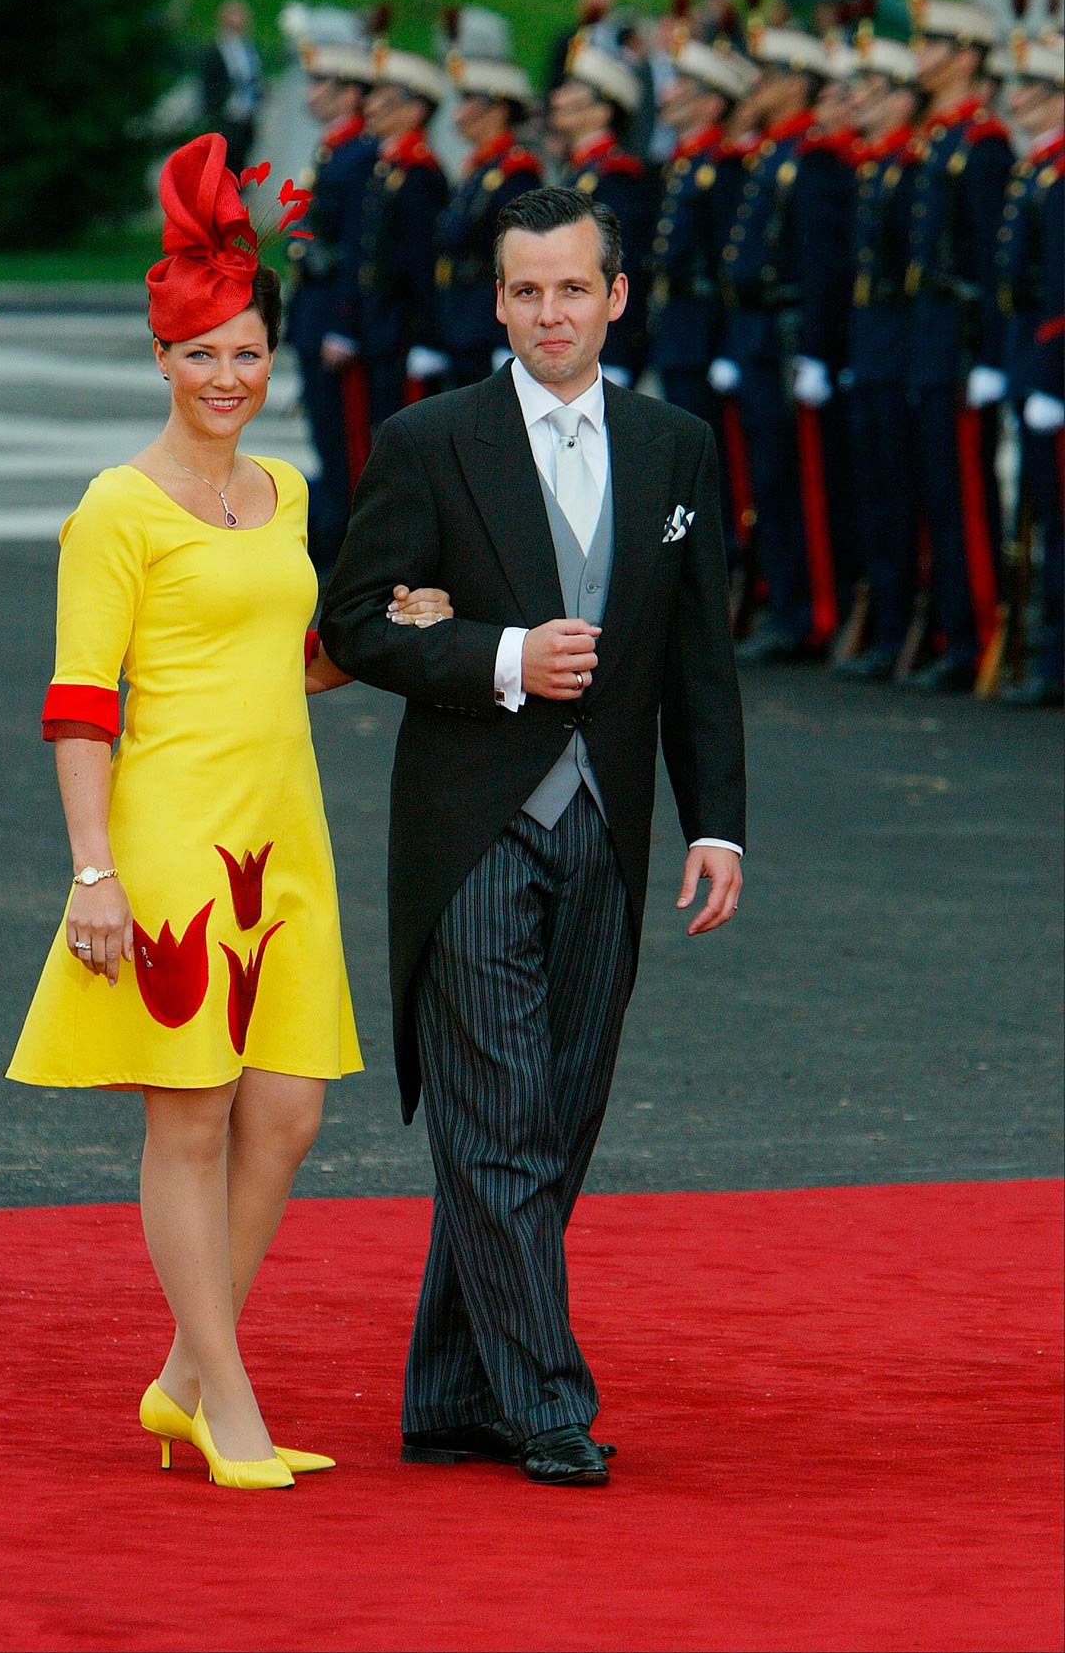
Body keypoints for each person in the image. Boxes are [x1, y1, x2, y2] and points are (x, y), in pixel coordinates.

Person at [7, 133, 452, 1491]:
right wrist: (93, 874)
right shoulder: (115, 509)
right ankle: (227, 1402)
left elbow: (296, 657)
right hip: (164, 833)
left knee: (291, 1114)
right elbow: (82, 701)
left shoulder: (288, 491)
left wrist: (388, 631)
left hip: (284, 834)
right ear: (162, 358)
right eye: (201, 353)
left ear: (271, 357)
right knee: (188, 1116)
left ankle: (185, 1376)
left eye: (246, 352)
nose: (226, 377)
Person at [320, 187, 746, 1488]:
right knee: (497, 1114)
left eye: (572, 289)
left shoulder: (675, 446)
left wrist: (717, 821)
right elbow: (353, 625)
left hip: (609, 831)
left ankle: (450, 1392)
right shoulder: (428, 439)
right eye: (524, 292)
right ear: (496, 300)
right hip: (467, 829)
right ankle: (545, 1399)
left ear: (618, 296)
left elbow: (698, 657)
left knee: (551, 1121)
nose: (548, 314)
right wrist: (501, 652)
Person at [708, 20, 843, 660]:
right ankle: (785, 605)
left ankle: (810, 615)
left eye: (763, 76)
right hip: (759, 332)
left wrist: (815, 349)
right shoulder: (771, 154)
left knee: (799, 481)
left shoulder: (810, 159)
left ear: (794, 85)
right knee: (766, 477)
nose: (751, 87)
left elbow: (819, 263)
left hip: (788, 335)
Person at [899, 0, 1011, 693]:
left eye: (936, 40)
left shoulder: (985, 143)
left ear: (968, 55)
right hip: (925, 334)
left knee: (966, 497)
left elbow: (990, 259)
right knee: (933, 492)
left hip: (960, 338)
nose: (922, 51)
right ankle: (947, 631)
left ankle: (979, 639)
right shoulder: (936, 139)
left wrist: (992, 354)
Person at [648, 26, 759, 582]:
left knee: (715, 464)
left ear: (712, 102)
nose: (669, 95)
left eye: (684, 86)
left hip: (705, 329)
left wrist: (724, 345)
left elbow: (723, 265)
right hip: (680, 329)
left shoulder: (723, 167)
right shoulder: (687, 162)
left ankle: (728, 570)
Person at [838, 25, 923, 680]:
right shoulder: (877, 163)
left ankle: (904, 629)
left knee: (899, 494)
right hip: (871, 345)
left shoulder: (912, 164)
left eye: (871, 87)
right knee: (871, 491)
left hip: (899, 347)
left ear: (901, 97)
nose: (857, 98)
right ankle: (885, 627)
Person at [285, 39, 377, 568]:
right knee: (326, 434)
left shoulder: (359, 153)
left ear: (350, 93)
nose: (312, 93)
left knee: (346, 443)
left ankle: (346, 551)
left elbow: (360, 248)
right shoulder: (336, 149)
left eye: (323, 83)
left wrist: (344, 325)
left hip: (336, 316)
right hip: (316, 311)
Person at [996, 29, 1064, 707]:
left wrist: (1051, 376)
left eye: (1033, 91)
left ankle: (1055, 660)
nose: (1018, 101)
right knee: (1042, 514)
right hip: (1028, 358)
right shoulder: (1036, 167)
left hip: (1053, 367)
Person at [434, 53, 542, 387]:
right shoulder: (479, 169)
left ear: (498, 109)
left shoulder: (515, 173)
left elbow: (518, 255)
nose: (459, 114)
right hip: (462, 314)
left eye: (470, 102)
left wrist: (503, 335)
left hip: (485, 319)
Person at [357, 45, 451, 427]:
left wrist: (426, 336)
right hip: (382, 323)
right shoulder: (390, 166)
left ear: (414, 111)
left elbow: (423, 259)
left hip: (403, 328)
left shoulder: (419, 172)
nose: (372, 106)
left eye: (385, 98)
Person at [551, 35, 652, 386]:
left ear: (601, 110)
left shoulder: (615, 177)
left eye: (572, 93)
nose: (557, 99)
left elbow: (623, 267)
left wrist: (617, 350)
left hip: (606, 347)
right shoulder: (580, 172)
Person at [199, 0, 264, 176]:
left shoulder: (248, 48)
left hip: (246, 112)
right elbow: (209, 85)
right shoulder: (215, 51)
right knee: (226, 158)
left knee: (243, 154)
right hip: (226, 113)